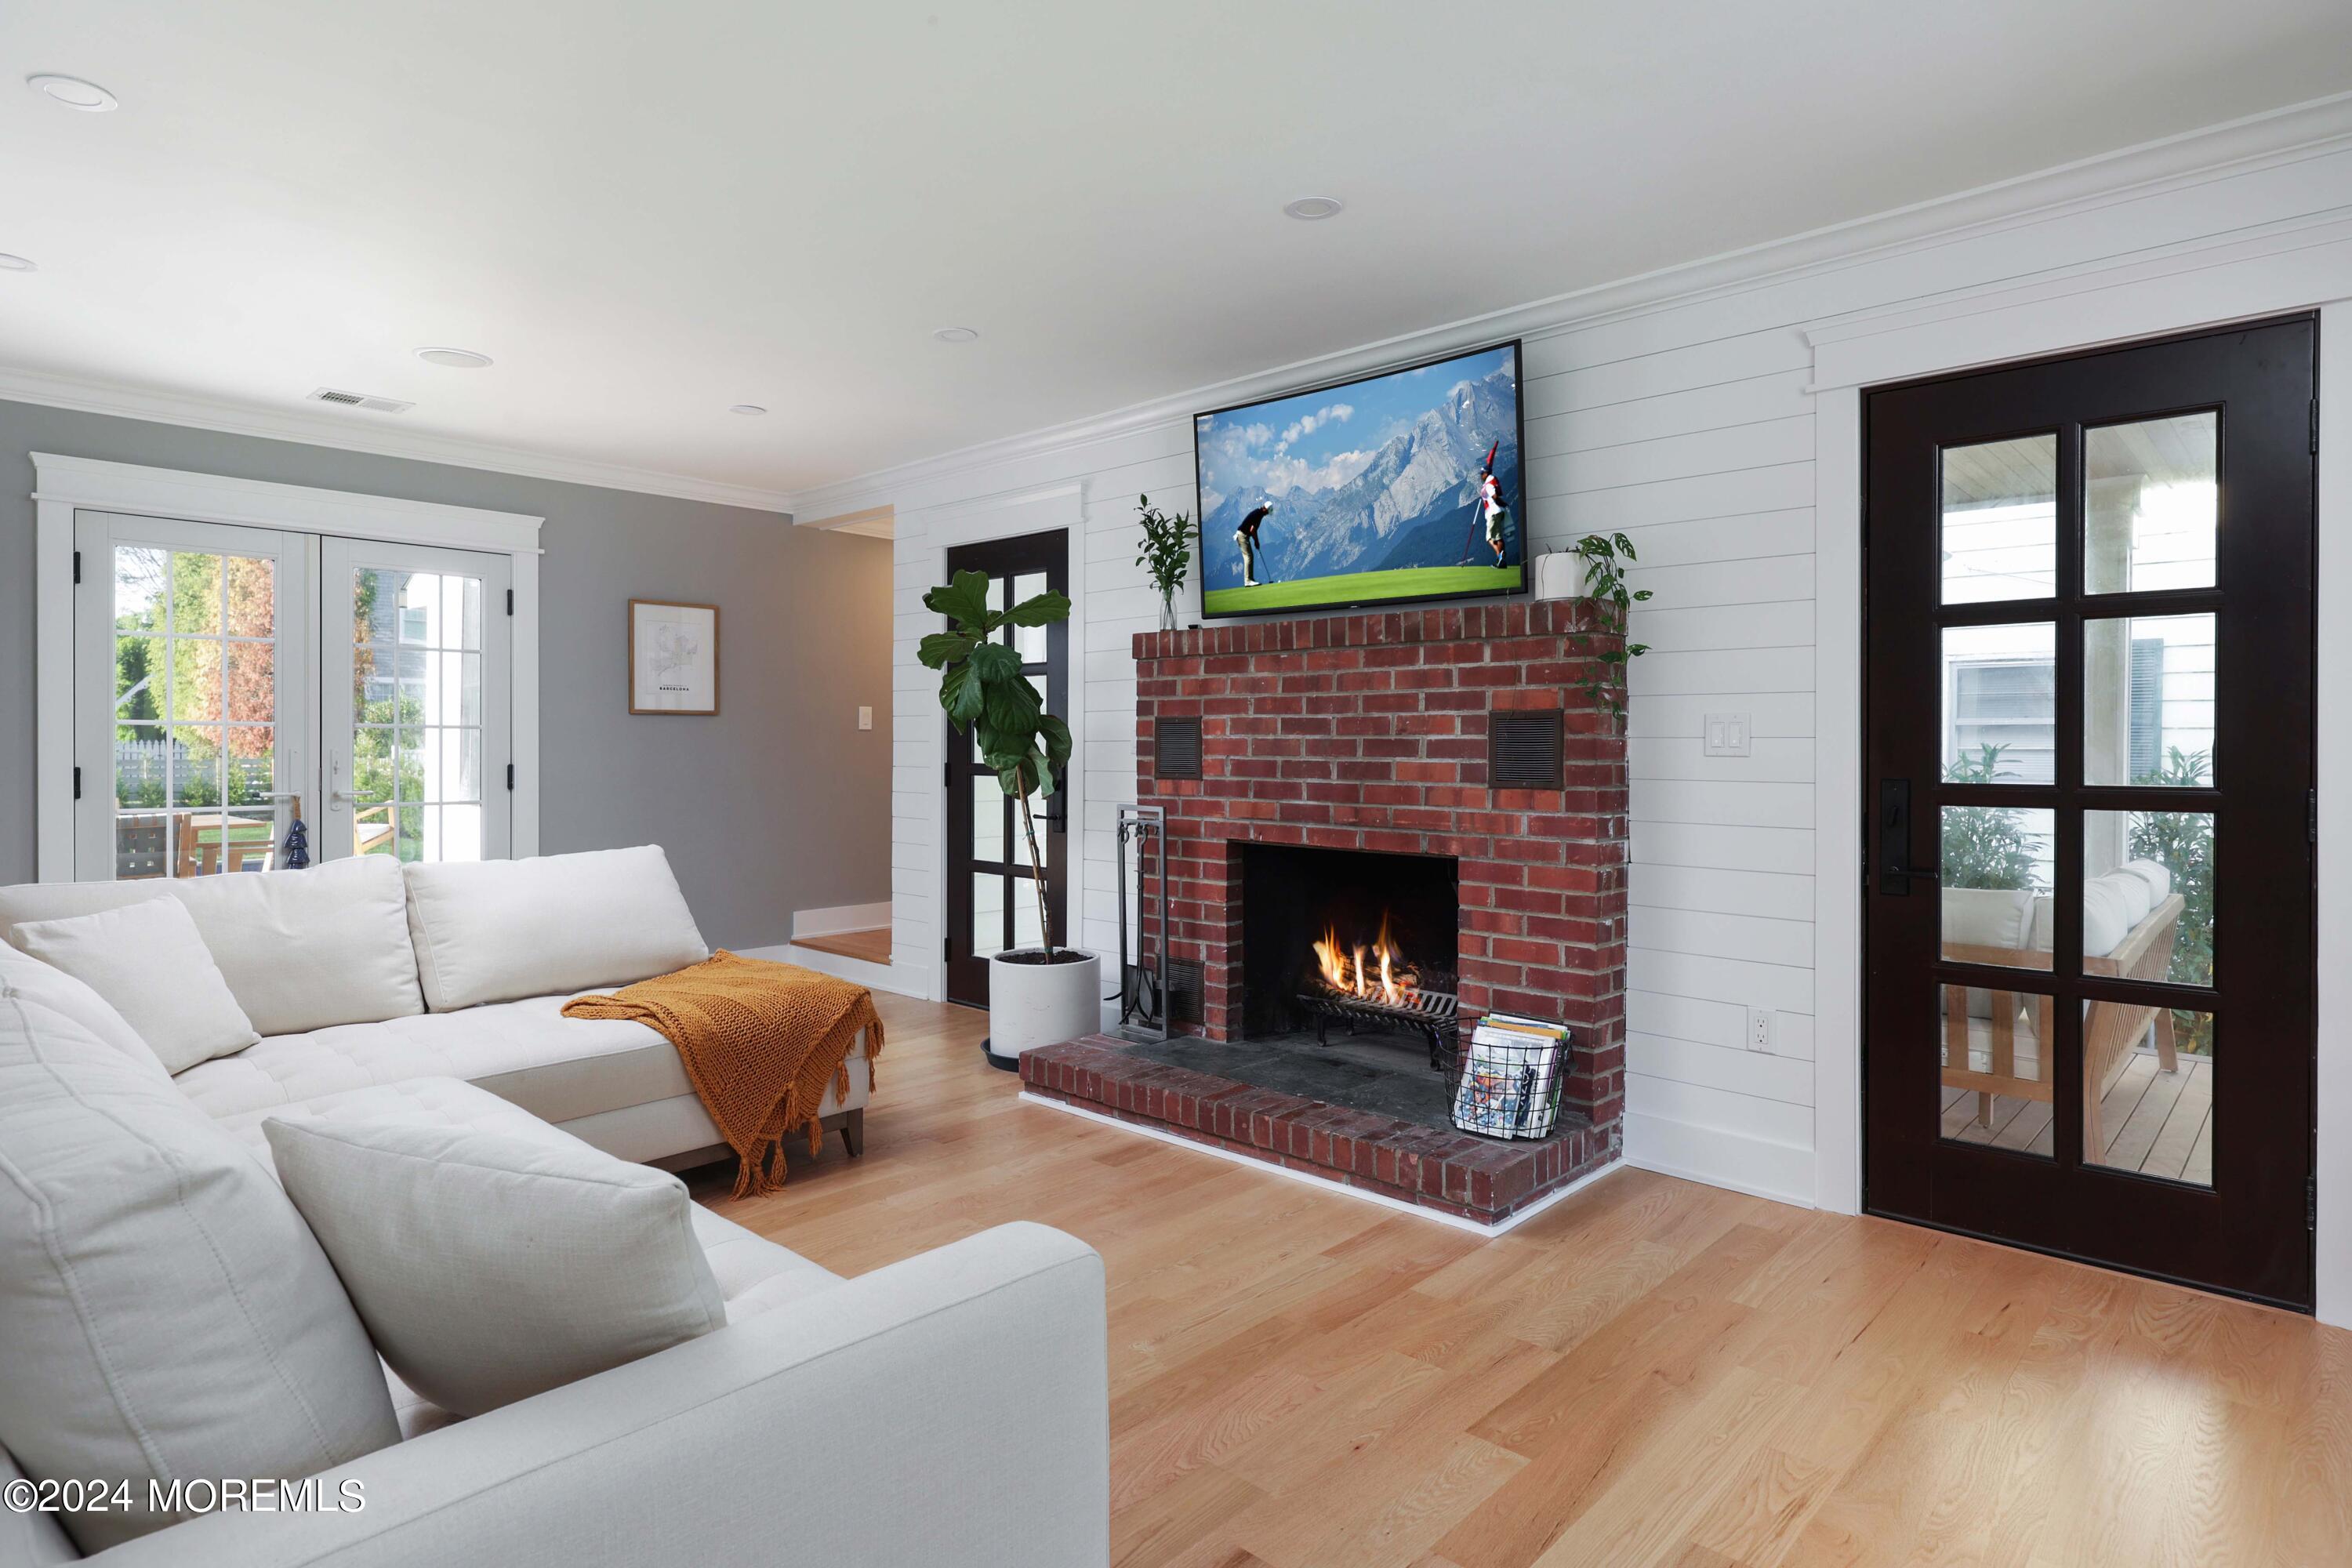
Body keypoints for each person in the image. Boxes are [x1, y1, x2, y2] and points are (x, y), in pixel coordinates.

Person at [1236, 501, 1273, 586]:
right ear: (1265, 509)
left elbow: (1253, 530)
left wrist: (1256, 541)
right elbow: (1252, 530)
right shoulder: (1258, 515)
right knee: (1248, 556)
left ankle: (1250, 580)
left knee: (1250, 556)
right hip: (1242, 535)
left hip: (1243, 535)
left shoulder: (1259, 513)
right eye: (1268, 512)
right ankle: (1248, 581)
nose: (1267, 514)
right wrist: (1256, 541)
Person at [1478, 470, 1509, 566]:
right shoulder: (1490, 483)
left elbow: (1495, 497)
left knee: (1489, 538)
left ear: (1486, 474)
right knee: (1499, 537)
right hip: (1499, 512)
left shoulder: (1488, 485)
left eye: (1482, 474)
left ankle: (1500, 556)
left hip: (1493, 513)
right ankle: (1501, 562)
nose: (1481, 476)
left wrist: (1502, 503)